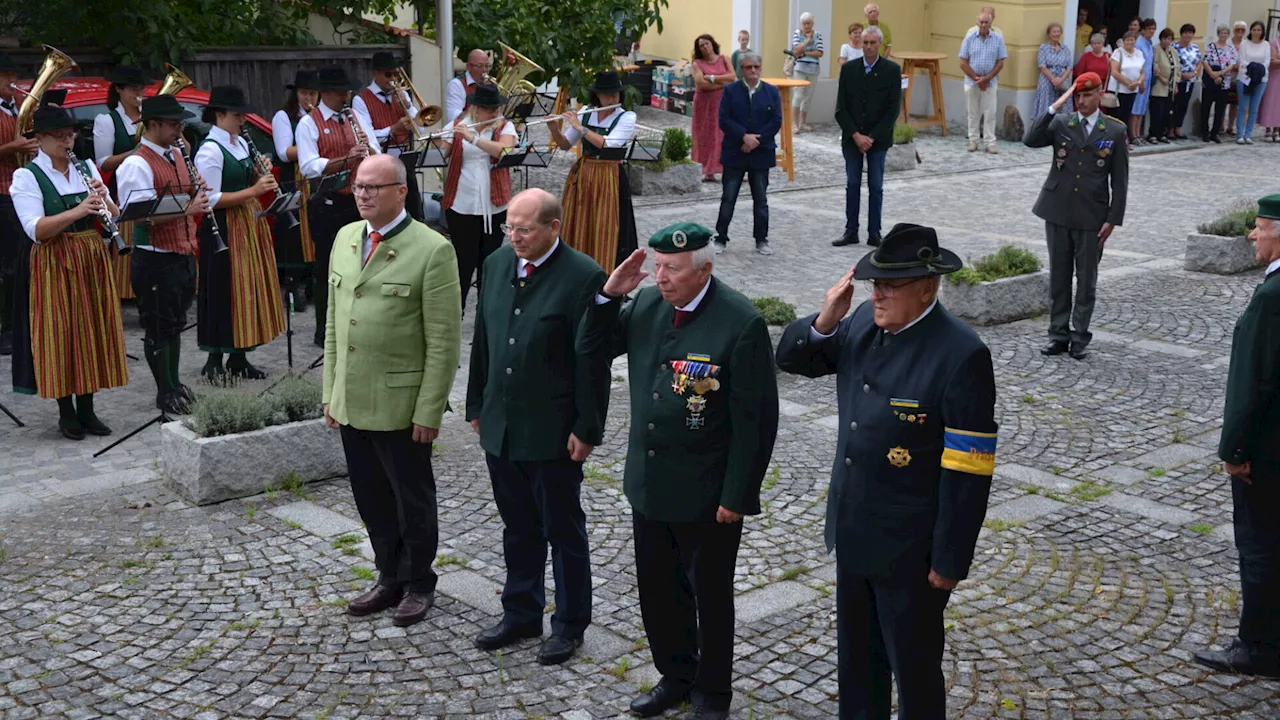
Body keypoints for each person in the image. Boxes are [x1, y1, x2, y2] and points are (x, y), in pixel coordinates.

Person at [776, 223, 997, 720]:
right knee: (857, 667)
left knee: (914, 672)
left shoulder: (961, 354)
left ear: (927, 288)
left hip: (911, 550)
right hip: (854, 530)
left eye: (890, 286)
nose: (877, 295)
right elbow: (792, 359)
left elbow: (969, 469)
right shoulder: (859, 324)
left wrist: (950, 558)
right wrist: (825, 319)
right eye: (875, 284)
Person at [582, 223, 778, 720]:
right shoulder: (647, 306)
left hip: (707, 492)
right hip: (650, 483)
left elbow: (756, 422)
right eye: (659, 266)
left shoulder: (740, 323)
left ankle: (713, 691)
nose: (662, 277)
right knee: (659, 590)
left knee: (710, 596)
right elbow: (591, 347)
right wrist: (608, 296)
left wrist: (738, 494)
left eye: (673, 269)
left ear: (705, 270)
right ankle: (676, 675)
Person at [465, 188, 608, 666]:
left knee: (563, 530)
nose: (514, 237)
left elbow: (592, 361)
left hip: (552, 429)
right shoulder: (497, 264)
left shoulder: (583, 276)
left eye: (524, 229)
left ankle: (569, 624)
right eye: (509, 227)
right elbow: (484, 337)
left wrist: (587, 428)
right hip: (501, 424)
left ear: (553, 227)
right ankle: (520, 610)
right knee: (517, 526)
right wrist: (476, 402)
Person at [322, 154, 461, 628]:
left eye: (373, 187)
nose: (362, 194)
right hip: (352, 398)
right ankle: (388, 575)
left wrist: (429, 409)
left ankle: (419, 581)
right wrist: (330, 391)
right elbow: (334, 324)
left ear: (401, 191)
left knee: (411, 498)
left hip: (402, 404)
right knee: (370, 497)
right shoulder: (345, 238)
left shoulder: (432, 248)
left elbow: (444, 340)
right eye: (358, 186)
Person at [1193, 193, 1280, 680]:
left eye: (1261, 226)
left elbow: (1253, 382)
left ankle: (1260, 646)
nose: (1252, 234)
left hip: (1268, 452)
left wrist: (1234, 451)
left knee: (1261, 544)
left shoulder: (1271, 296)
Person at [10, 92, 128, 439]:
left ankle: (88, 410)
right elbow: (35, 229)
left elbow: (116, 212)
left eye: (70, 134)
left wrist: (104, 197)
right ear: (40, 139)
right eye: (59, 135)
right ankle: (66, 412)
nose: (67, 140)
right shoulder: (27, 177)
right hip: (54, 260)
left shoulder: (87, 167)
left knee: (93, 329)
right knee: (62, 332)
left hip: (91, 255)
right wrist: (79, 210)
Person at [115, 95, 210, 415]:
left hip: (182, 251)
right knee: (158, 324)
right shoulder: (135, 163)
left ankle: (174, 382)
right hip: (154, 256)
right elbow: (141, 215)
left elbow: (184, 194)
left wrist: (197, 190)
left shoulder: (177, 153)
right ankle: (163, 390)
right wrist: (189, 206)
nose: (179, 130)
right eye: (173, 124)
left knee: (176, 322)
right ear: (152, 125)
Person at [1023, 72, 1128, 361]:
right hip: (1057, 210)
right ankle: (1058, 333)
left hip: (1092, 215)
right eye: (1078, 95)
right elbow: (1030, 139)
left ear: (1100, 93)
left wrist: (1112, 218)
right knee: (1059, 276)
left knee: (1086, 279)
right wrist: (1057, 104)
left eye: (1087, 95)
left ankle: (1079, 336)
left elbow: (1119, 181)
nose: (1081, 101)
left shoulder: (1114, 131)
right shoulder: (1061, 123)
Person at [193, 85, 285, 381]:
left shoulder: (240, 144)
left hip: (247, 222)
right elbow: (211, 199)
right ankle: (214, 359)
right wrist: (254, 190)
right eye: (237, 115)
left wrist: (260, 174)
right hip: (223, 227)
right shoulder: (209, 150)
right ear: (219, 115)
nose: (242, 120)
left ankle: (239, 356)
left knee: (248, 288)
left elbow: (248, 179)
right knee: (223, 289)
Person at [296, 65, 380, 347]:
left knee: (361, 263)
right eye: (343, 91)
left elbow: (375, 148)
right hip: (327, 203)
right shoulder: (309, 123)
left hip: (357, 199)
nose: (347, 95)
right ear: (328, 93)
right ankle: (324, 329)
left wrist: (369, 151)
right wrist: (345, 159)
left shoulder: (353, 116)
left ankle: (355, 323)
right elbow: (309, 166)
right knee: (327, 267)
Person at [436, 83, 516, 313]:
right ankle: (456, 313)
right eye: (489, 109)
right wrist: (436, 140)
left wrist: (472, 138)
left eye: (496, 109)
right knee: (463, 261)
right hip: (462, 202)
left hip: (494, 203)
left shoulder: (505, 126)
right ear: (476, 108)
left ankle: (485, 314)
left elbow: (504, 151)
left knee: (489, 263)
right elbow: (442, 152)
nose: (494, 114)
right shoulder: (458, 125)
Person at [548, 71, 637, 273]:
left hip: (608, 175)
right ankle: (576, 270)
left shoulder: (626, 116)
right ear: (598, 95)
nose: (612, 99)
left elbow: (609, 144)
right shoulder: (587, 112)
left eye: (616, 94)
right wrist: (554, 129)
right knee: (579, 222)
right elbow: (564, 144)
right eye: (607, 95)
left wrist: (581, 128)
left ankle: (604, 271)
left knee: (605, 225)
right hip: (584, 174)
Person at [833, 27, 900, 249]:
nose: (869, 47)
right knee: (852, 183)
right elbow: (841, 107)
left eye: (872, 43)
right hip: (852, 138)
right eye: (865, 43)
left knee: (876, 186)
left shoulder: (891, 70)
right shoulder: (849, 69)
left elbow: (892, 110)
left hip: (877, 140)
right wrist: (855, 135)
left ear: (879, 44)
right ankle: (851, 230)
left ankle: (875, 232)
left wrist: (870, 137)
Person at [714, 53, 781, 257]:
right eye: (748, 67)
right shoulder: (730, 90)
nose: (753, 71)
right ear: (741, 69)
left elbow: (776, 120)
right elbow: (724, 119)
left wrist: (755, 141)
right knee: (728, 196)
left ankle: (761, 239)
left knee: (760, 198)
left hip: (760, 153)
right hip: (736, 151)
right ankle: (721, 237)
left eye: (756, 67)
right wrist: (743, 137)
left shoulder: (771, 91)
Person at [93, 64, 147, 302]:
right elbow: (104, 163)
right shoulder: (107, 120)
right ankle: (126, 293)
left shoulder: (150, 116)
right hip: (123, 189)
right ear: (120, 90)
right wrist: (137, 151)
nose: (139, 93)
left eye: (141, 88)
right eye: (133, 89)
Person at [353, 51, 423, 221]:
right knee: (388, 212)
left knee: (414, 211)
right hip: (381, 163)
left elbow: (420, 125)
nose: (392, 79)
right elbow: (367, 136)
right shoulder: (360, 100)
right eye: (388, 74)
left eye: (395, 74)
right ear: (375, 73)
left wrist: (407, 104)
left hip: (405, 161)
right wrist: (393, 129)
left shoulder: (402, 94)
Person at [271, 69, 320, 312]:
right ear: (296, 94)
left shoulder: (320, 115)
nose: (308, 98)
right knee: (294, 232)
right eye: (304, 93)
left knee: (315, 228)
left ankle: (313, 282)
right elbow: (284, 152)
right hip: (294, 179)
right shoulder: (284, 116)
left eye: (312, 93)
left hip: (316, 179)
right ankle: (292, 287)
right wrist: (313, 142)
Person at [0, 53, 37, 358]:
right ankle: (8, 330)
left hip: (19, 191)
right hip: (1, 192)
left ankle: (21, 324)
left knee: (21, 261)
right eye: (6, 75)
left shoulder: (17, 110)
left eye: (14, 74)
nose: (12, 80)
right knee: (9, 265)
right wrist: (13, 147)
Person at [958, 11, 1008, 154]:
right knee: (973, 113)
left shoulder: (997, 39)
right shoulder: (969, 38)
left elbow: (1000, 62)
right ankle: (973, 141)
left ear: (991, 23)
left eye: (986, 22)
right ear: (977, 23)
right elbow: (963, 62)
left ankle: (990, 143)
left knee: (990, 113)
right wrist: (977, 79)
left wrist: (987, 78)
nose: (984, 25)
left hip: (990, 82)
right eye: (981, 22)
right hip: (972, 81)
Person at [692, 35, 734, 183]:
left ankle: (725, 168)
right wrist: (722, 83)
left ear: (713, 44)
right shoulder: (697, 63)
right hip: (704, 103)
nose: (705, 47)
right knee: (704, 134)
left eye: (707, 43)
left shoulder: (724, 59)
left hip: (722, 101)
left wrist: (712, 78)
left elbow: (733, 76)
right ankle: (705, 169)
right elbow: (700, 83)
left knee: (722, 134)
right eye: (701, 46)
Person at [1201, 25, 1237, 143]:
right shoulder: (1211, 46)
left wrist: (1220, 73)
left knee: (1220, 109)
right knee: (1206, 107)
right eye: (1222, 32)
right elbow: (1205, 61)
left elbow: (1232, 64)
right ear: (1218, 34)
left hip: (1224, 82)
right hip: (1210, 80)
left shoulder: (1231, 49)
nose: (1224, 35)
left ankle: (1215, 132)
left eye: (1226, 33)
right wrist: (1212, 74)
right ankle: (1204, 132)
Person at [1235, 21, 1270, 144]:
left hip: (1261, 78)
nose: (1256, 32)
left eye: (1258, 30)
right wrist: (1252, 67)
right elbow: (1242, 60)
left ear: (1262, 31)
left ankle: (1248, 134)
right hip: (1245, 76)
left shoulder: (1266, 45)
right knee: (1243, 107)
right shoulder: (1245, 43)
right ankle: (1240, 134)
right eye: (1254, 29)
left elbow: (1267, 61)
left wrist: (1258, 69)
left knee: (1254, 108)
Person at [790, 14, 824, 133]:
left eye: (808, 23)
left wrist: (805, 53)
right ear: (801, 24)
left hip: (813, 69)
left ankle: (803, 122)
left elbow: (820, 52)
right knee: (798, 95)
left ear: (812, 24)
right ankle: (793, 123)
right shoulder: (797, 34)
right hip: (800, 68)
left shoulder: (818, 34)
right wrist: (808, 41)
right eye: (804, 23)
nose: (806, 26)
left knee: (808, 97)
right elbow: (796, 51)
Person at [1109, 31, 1146, 139]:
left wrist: (1139, 82)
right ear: (1123, 41)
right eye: (1128, 40)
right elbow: (1114, 72)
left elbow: (1142, 71)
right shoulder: (1118, 53)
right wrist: (1129, 83)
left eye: (1132, 39)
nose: (1130, 42)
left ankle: (1122, 139)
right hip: (1118, 90)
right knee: (1116, 117)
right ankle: (1113, 139)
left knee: (1126, 115)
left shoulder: (1139, 53)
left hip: (1132, 90)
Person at [1033, 23, 1074, 120]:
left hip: (1062, 80)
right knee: (1047, 105)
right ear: (1049, 34)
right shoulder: (1043, 48)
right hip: (1047, 80)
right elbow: (1042, 66)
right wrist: (1054, 80)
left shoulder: (1065, 49)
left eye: (1058, 32)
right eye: (1054, 32)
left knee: (1063, 104)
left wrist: (1061, 80)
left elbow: (1069, 66)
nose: (1056, 34)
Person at [1148, 28, 1180, 143]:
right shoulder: (1156, 49)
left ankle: (1162, 133)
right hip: (1159, 86)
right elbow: (1155, 66)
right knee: (1157, 111)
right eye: (1165, 38)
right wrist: (1162, 78)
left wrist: (1176, 83)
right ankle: (1153, 134)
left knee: (1167, 112)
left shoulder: (1173, 51)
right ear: (1161, 38)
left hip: (1170, 88)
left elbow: (1177, 68)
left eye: (1169, 39)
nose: (1167, 41)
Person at [1172, 24, 1202, 139]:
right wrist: (1181, 74)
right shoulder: (1174, 47)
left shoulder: (1195, 47)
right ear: (1181, 34)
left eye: (1190, 33)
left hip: (1190, 81)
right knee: (1174, 105)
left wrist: (1193, 73)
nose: (1188, 35)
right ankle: (1170, 129)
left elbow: (1199, 62)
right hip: (1178, 81)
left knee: (1184, 105)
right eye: (1186, 32)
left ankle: (1178, 128)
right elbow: (1173, 63)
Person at [445, 49, 491, 125]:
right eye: (480, 66)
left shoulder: (490, 84)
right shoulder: (456, 84)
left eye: (487, 66)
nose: (484, 70)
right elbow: (453, 118)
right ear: (469, 67)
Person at [1130, 19, 1157, 145]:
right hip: (1140, 79)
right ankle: (1133, 134)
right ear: (1143, 29)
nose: (1151, 31)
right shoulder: (1139, 43)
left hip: (1148, 79)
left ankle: (1138, 133)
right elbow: (1138, 63)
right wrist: (1140, 81)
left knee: (1141, 109)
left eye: (1153, 29)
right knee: (1135, 109)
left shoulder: (1149, 42)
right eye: (1149, 29)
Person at [1258, 18, 1280, 142]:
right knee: (1271, 101)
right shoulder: (1274, 42)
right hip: (1274, 76)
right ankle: (1267, 129)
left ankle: (1277, 130)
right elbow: (1273, 60)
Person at [1227, 22, 1247, 136]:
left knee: (1235, 104)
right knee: (1223, 102)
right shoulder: (1228, 42)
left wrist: (1241, 67)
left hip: (1240, 77)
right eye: (1238, 29)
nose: (1240, 32)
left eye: (1242, 30)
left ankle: (1230, 126)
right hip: (1227, 76)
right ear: (1234, 30)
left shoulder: (1246, 44)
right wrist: (1232, 66)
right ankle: (1220, 126)